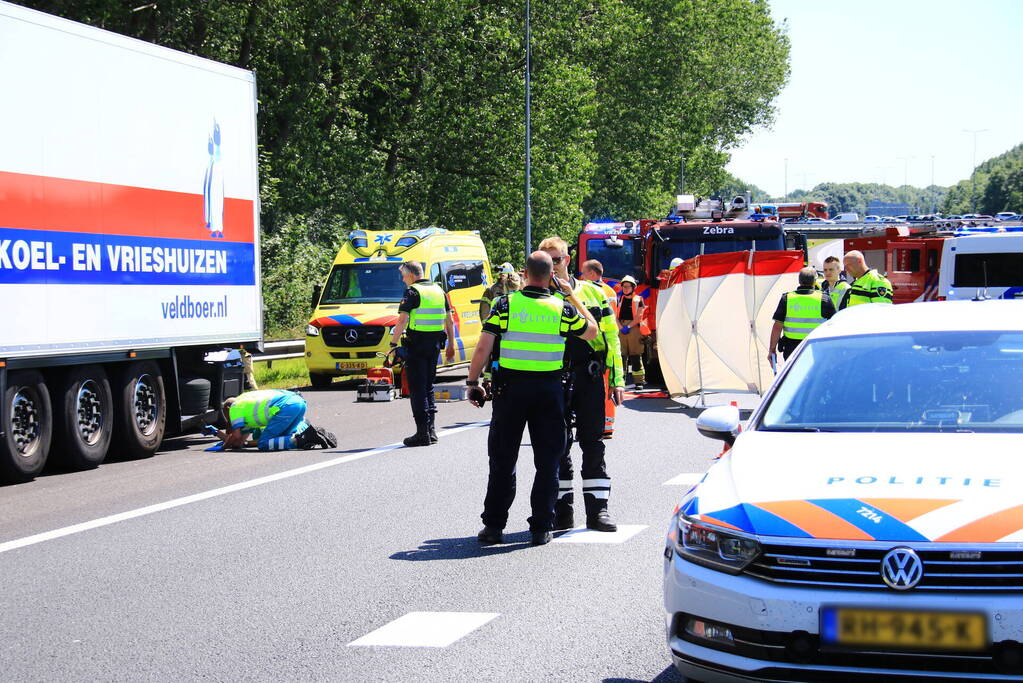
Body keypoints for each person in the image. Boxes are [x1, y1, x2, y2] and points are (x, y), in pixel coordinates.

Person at [466, 251, 598, 546]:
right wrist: (573, 297)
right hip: (550, 392)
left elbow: (482, 348)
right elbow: (593, 331)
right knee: (548, 461)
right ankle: (541, 527)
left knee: (502, 459)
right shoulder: (562, 309)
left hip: (510, 391)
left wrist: (473, 382)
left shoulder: (504, 305)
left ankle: (493, 527)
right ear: (552, 275)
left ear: (524, 274)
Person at [541, 241, 624, 532]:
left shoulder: (593, 292)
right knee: (557, 446)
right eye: (548, 261)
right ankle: (562, 512)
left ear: (568, 259)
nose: (553, 266)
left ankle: (598, 511)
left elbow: (611, 337)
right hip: (554, 378)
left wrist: (617, 380)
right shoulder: (541, 296)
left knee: (593, 443)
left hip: (589, 376)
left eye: (557, 259)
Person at [388, 261, 456, 447]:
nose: (403, 280)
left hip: (417, 344)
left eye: (403, 276)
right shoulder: (439, 291)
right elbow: (449, 321)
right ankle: (431, 431)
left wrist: (392, 345)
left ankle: (421, 433)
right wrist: (451, 345)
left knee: (417, 388)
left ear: (411, 274)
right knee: (428, 386)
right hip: (435, 345)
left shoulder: (412, 292)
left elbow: (402, 321)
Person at [218, 390, 336, 451]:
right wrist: (217, 433)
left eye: (227, 416)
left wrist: (223, 447)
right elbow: (239, 442)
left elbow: (236, 435)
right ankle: (309, 430)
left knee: (264, 444)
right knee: (284, 436)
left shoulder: (235, 408)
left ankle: (304, 439)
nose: (229, 419)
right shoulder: (246, 402)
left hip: (285, 408)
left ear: (227, 408)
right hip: (298, 402)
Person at [768, 266, 836, 362]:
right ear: (814, 281)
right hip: (816, 348)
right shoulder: (824, 299)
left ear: (799, 281)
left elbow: (777, 326)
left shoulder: (787, 299)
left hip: (792, 349)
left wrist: (772, 350)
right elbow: (834, 326)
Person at [617, 275, 647, 389]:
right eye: (624, 286)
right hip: (621, 327)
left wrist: (628, 327)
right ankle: (620, 381)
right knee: (621, 356)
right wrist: (620, 327)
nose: (625, 288)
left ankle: (639, 382)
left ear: (633, 287)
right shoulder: (618, 299)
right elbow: (614, 315)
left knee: (635, 356)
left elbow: (639, 316)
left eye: (628, 286)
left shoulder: (638, 299)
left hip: (633, 328)